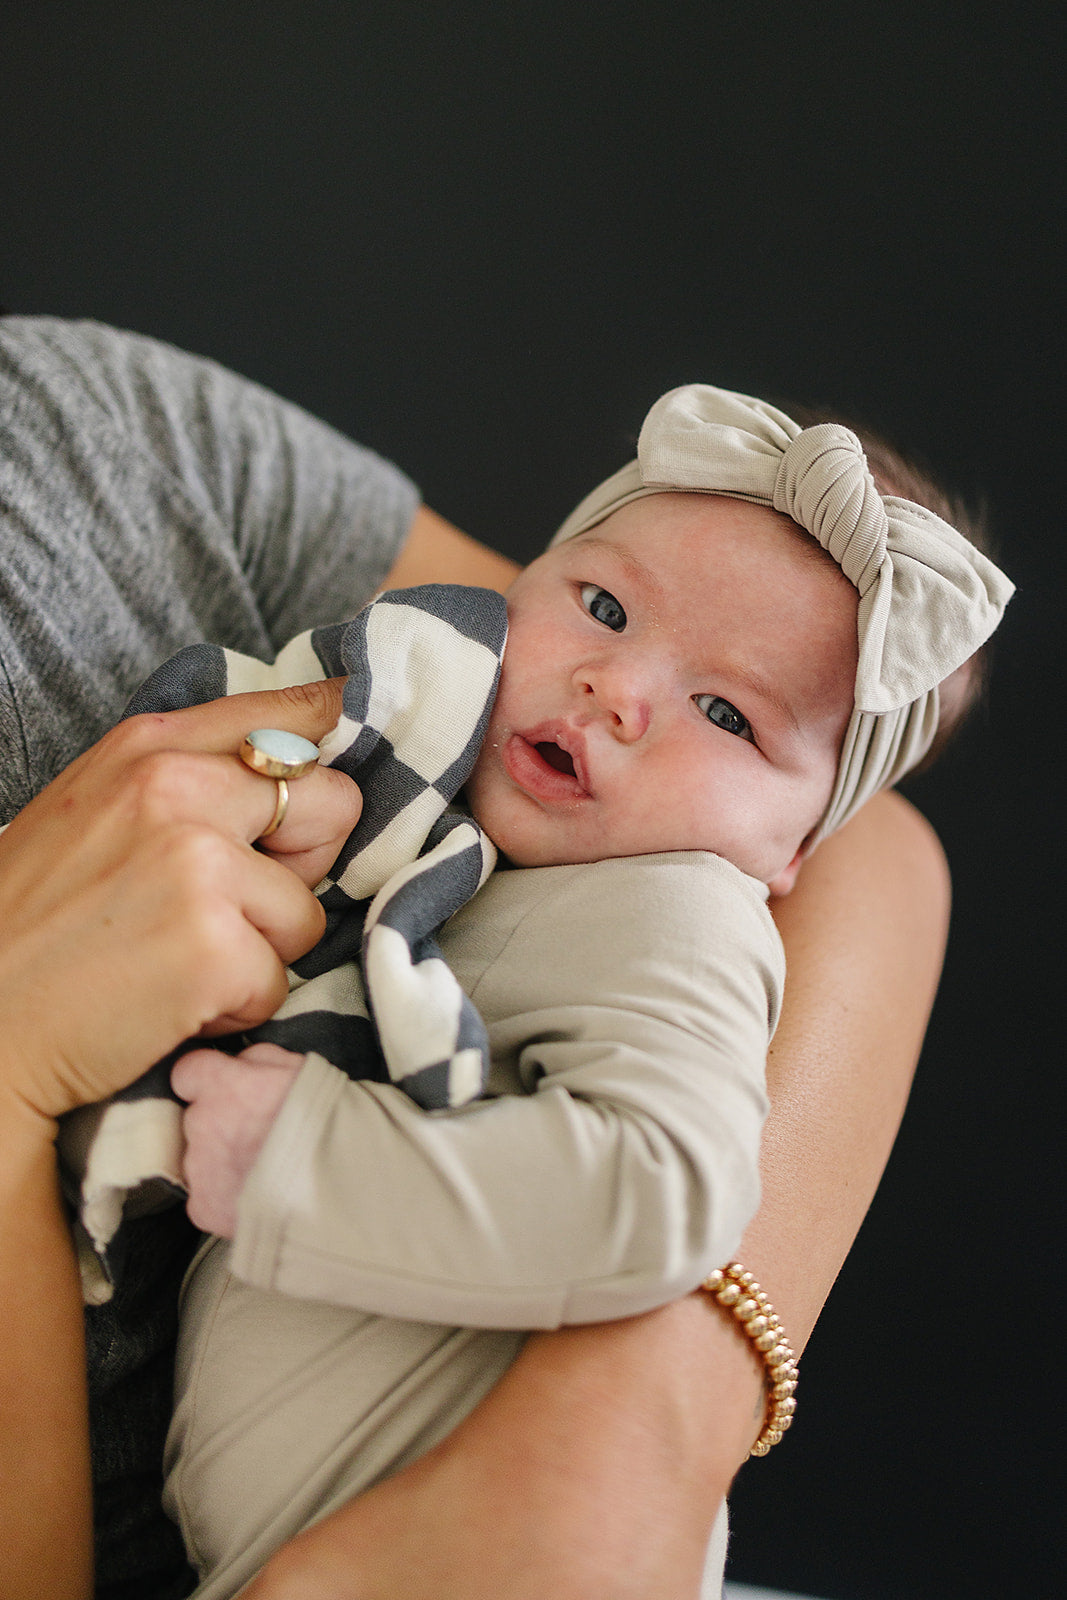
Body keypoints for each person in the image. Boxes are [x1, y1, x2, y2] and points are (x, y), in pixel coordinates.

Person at [0, 319, 957, 1600]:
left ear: (789, 855)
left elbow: (670, 1187)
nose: (617, 686)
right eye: (603, 606)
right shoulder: (512, 854)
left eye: (726, 713)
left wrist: (303, 1159)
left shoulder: (673, 915)